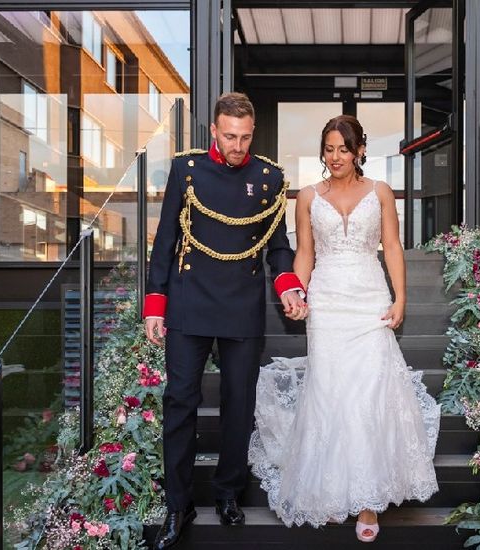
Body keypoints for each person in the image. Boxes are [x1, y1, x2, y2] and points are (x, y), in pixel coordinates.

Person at [248, 115, 440, 543]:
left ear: (359, 152)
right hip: (328, 303)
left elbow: (391, 246)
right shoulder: (307, 197)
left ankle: (369, 500)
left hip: (369, 299)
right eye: (329, 148)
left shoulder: (381, 193)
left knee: (368, 392)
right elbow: (305, 254)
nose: (335, 157)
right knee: (331, 392)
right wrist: (296, 293)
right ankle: (331, 491)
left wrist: (400, 298)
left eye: (343, 149)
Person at [143, 92, 306, 550]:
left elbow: (277, 247)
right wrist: (156, 304)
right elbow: (166, 240)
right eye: (230, 136)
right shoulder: (186, 170)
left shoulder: (269, 178)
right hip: (189, 301)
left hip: (241, 305)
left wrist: (288, 284)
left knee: (239, 405)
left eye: (246, 137)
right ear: (214, 131)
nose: (238, 146)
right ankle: (179, 504)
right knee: (179, 402)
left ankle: (229, 493)